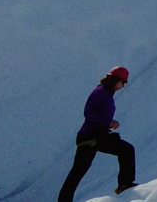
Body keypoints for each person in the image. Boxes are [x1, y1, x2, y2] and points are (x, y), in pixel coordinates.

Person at [57, 67, 135, 201]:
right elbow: (89, 113)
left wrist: (106, 124)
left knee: (77, 172)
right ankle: (124, 184)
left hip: (90, 137)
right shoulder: (101, 92)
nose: (123, 86)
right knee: (127, 150)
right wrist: (108, 121)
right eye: (123, 82)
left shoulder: (104, 92)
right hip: (92, 137)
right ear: (116, 80)